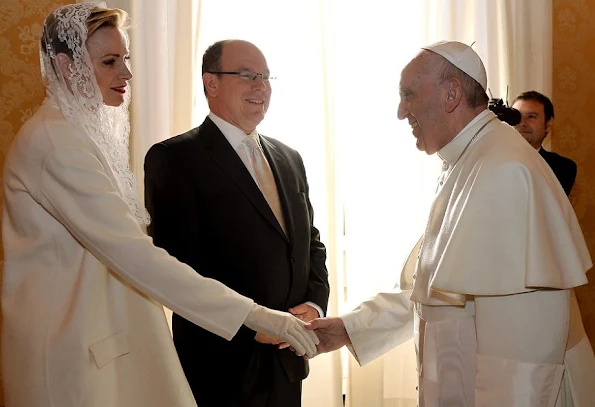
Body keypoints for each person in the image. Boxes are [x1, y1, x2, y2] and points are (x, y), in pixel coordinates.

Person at [1, 4, 319, 407]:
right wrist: (256, 315)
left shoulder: (78, 135)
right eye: (110, 61)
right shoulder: (56, 144)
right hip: (70, 351)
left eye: (126, 59)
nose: (127, 74)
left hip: (106, 343)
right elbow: (136, 255)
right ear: (68, 66)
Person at [307, 41, 595, 406]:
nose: (400, 111)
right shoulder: (471, 158)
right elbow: (439, 293)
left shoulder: (505, 171)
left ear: (451, 94)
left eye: (407, 95)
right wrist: (350, 329)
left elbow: (524, 363)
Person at [143, 39, 330, 407]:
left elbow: (310, 242)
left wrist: (314, 304)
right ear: (211, 83)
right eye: (247, 75)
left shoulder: (290, 157)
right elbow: (176, 266)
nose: (261, 86)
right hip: (218, 363)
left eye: (266, 76)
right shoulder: (174, 158)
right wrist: (250, 324)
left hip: (287, 360)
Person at [512, 90, 577, 195]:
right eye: (517, 116)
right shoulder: (491, 159)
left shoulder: (563, 167)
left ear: (548, 124)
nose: (522, 123)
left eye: (531, 117)